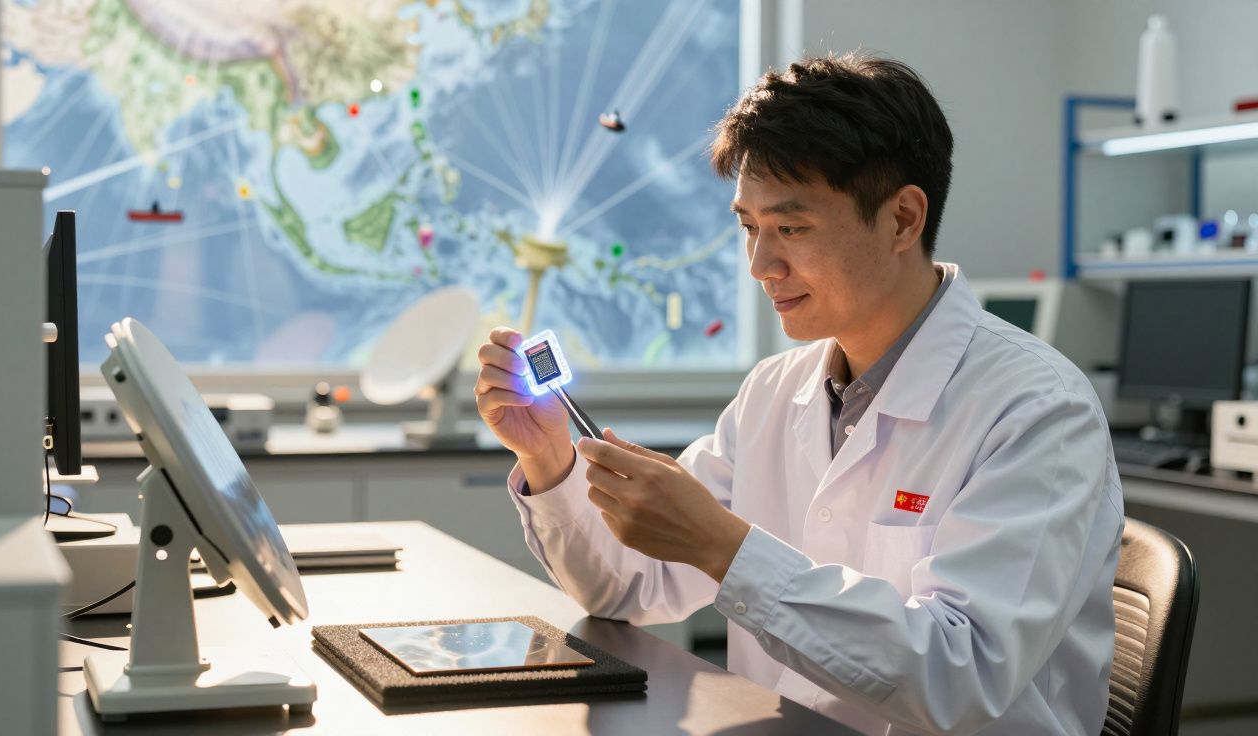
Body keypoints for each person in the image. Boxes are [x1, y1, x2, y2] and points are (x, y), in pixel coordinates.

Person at [474, 52, 1123, 735]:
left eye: (791, 228)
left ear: (903, 220)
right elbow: (628, 587)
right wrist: (551, 461)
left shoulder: (1037, 409)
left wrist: (724, 548)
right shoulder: (775, 393)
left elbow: (959, 676)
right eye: (748, 227)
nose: (760, 265)